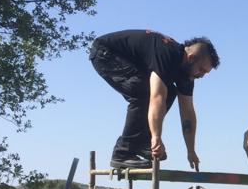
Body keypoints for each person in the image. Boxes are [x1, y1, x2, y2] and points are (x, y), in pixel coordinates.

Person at [89, 29, 220, 169]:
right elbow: (157, 98)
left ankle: (142, 143)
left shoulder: (186, 75)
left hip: (130, 61)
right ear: (191, 58)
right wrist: (156, 136)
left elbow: (188, 113)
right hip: (106, 54)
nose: (201, 75)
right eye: (201, 70)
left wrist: (191, 150)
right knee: (144, 93)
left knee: (170, 92)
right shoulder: (167, 54)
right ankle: (123, 154)